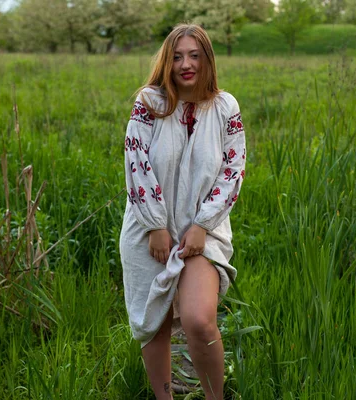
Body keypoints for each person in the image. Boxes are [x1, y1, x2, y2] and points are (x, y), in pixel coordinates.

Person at [119, 23, 246, 400]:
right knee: (153, 324)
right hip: (148, 228)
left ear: (207, 58)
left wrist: (203, 225)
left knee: (199, 320)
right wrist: (157, 226)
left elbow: (232, 170)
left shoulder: (226, 107)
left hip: (202, 231)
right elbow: (136, 163)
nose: (185, 64)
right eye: (176, 56)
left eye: (194, 55)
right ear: (166, 61)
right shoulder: (149, 104)